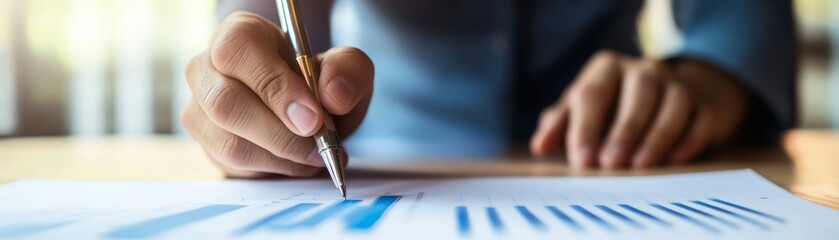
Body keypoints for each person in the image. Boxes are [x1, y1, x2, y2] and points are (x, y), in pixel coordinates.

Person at [181, 0, 796, 177]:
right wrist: (252, 93)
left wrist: (702, 84)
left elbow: (741, 21)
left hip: (624, 152)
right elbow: (264, 33)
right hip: (378, 154)